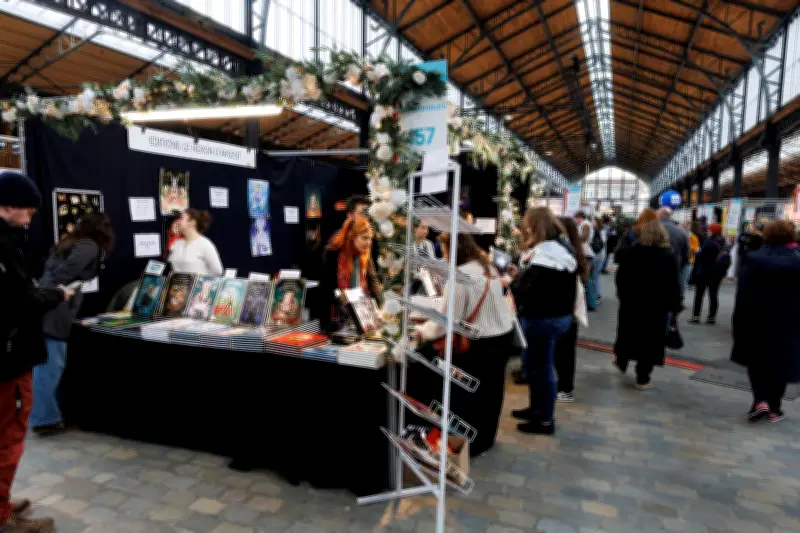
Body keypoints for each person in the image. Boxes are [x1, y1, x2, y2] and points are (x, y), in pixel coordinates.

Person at [0, 170, 75, 533]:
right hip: (9, 358)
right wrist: (57, 294)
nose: (30, 219)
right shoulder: (2, 245)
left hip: (11, 352)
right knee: (8, 437)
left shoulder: (9, 241)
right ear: (7, 206)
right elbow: (19, 300)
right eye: (27, 211)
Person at [417, 233, 513, 456]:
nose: (444, 256)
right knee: (492, 391)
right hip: (502, 336)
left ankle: (471, 445)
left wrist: (421, 332)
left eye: (445, 251)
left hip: (479, 342)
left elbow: (445, 321)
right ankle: (486, 439)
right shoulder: (487, 268)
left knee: (470, 394)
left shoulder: (460, 278)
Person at [31, 213, 115, 436]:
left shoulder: (69, 242)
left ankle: (49, 414)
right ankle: (45, 419)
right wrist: (60, 291)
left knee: (47, 364)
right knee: (50, 365)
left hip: (48, 302)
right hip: (56, 307)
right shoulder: (89, 246)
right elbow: (65, 273)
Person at [510, 207, 577, 436]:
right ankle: (537, 410)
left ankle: (545, 420)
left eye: (528, 225)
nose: (525, 229)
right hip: (553, 317)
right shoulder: (558, 248)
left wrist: (512, 282)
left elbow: (532, 290)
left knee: (542, 367)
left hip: (544, 318)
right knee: (536, 366)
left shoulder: (548, 253)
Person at [732, 221, 800, 423]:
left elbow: (743, 293)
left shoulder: (754, 258)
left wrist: (739, 320)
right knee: (781, 362)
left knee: (757, 360)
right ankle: (774, 407)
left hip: (757, 318)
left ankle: (760, 400)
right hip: (789, 321)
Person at [614, 209, 681, 389]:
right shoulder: (668, 256)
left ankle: (622, 359)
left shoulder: (631, 253)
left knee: (628, 333)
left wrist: (622, 295)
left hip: (631, 304)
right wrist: (674, 306)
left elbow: (620, 278)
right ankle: (642, 377)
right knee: (651, 341)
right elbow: (673, 284)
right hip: (656, 307)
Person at [320, 217, 383, 332]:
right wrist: (342, 296)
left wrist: (380, 306)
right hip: (338, 315)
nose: (369, 243)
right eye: (364, 238)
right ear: (352, 236)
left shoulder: (365, 253)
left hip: (362, 312)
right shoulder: (333, 253)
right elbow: (327, 288)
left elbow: (372, 279)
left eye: (370, 238)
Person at [553, 216, 590, 402]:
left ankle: (566, 388)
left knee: (563, 351)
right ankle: (565, 386)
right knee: (565, 350)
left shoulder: (564, 250)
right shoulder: (576, 248)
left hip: (564, 308)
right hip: (571, 308)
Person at [689, 223, 729, 325]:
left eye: (710, 229)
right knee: (713, 295)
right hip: (717, 273)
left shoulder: (709, 242)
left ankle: (696, 316)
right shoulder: (723, 241)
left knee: (699, 295)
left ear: (713, 230)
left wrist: (697, 252)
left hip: (704, 272)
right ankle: (711, 318)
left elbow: (700, 255)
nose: (708, 231)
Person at [168, 209, 223, 275]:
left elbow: (217, 271)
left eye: (181, 218)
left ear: (192, 222)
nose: (177, 221)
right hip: (176, 281)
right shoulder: (177, 243)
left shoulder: (205, 244)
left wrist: (201, 279)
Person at [589, 217, 606, 304]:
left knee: (594, 276)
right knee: (595, 276)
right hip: (601, 256)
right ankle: (596, 295)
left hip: (597, 256)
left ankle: (597, 296)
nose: (591, 222)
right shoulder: (602, 231)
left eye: (593, 221)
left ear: (597, 222)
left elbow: (591, 241)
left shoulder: (595, 231)